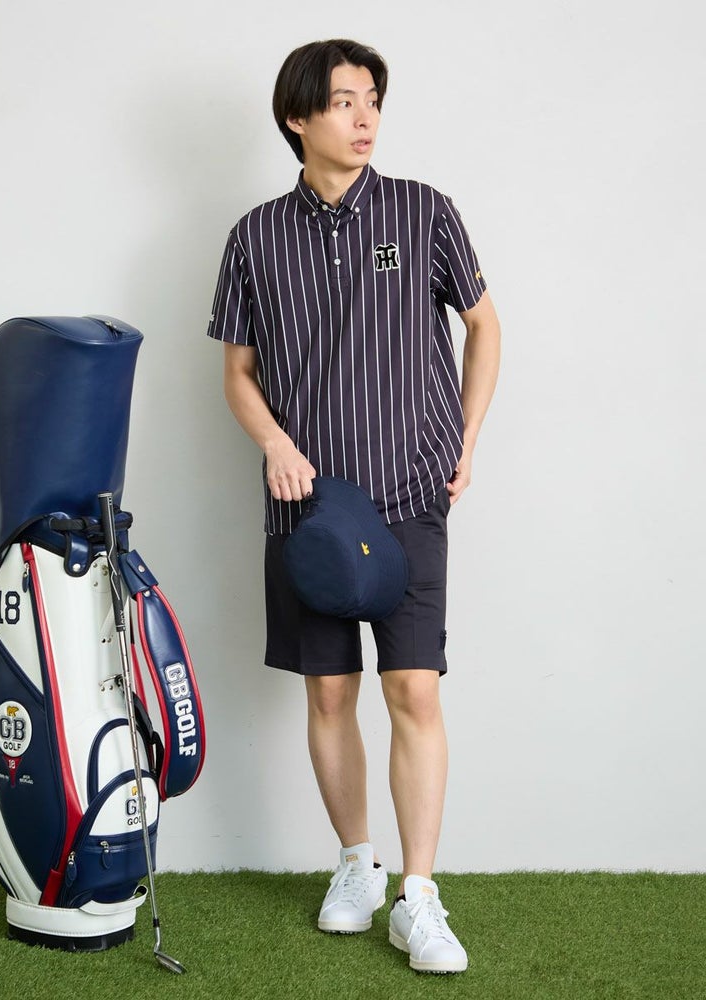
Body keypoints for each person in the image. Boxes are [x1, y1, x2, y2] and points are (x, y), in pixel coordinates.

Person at [207, 38, 500, 975]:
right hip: (309, 507)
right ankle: (356, 863)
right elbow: (238, 373)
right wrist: (274, 443)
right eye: (342, 101)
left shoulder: (423, 211)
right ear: (298, 118)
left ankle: (419, 895)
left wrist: (466, 437)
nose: (365, 116)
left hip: (410, 493)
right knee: (329, 691)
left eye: (372, 98)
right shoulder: (255, 237)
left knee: (413, 688)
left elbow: (484, 325)